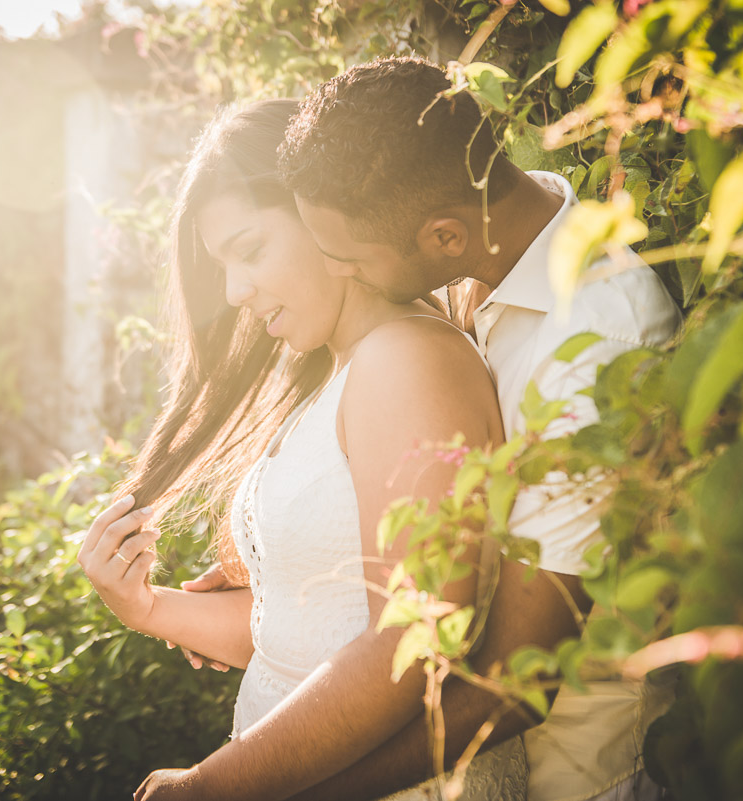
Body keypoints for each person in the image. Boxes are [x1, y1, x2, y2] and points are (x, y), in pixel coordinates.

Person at [178, 55, 683, 800]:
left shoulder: (595, 348)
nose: (338, 272)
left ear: (442, 239)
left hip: (584, 777)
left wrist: (263, 786)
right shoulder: (492, 252)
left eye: (346, 257)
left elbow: (517, 680)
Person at [76, 99, 527, 801]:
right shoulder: (334, 375)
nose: (234, 290)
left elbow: (409, 648)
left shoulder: (407, 360)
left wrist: (209, 786)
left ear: (324, 215)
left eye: (250, 249)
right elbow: (296, 635)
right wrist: (145, 605)